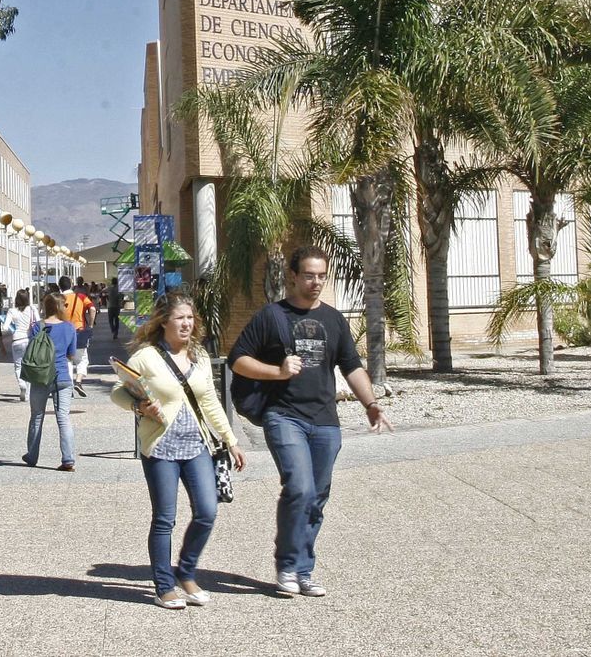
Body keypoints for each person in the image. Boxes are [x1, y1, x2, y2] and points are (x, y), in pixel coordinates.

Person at [228, 246, 392, 597]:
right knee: (299, 488)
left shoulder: (334, 320)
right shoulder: (271, 316)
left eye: (321, 275)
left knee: (317, 496)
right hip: (284, 416)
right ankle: (287, 565)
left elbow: (351, 366)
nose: (316, 282)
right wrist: (277, 371)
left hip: (325, 421)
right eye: (308, 275)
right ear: (293, 276)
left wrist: (371, 404)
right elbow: (237, 360)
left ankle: (304, 569)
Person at [112, 293, 246, 609]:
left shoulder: (198, 354)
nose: (186, 324)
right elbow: (118, 392)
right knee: (164, 518)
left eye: (190, 318)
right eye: (180, 318)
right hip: (160, 446)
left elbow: (210, 401)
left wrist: (231, 440)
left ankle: (186, 572)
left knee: (207, 511)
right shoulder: (145, 357)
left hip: (196, 444)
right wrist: (138, 406)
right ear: (164, 322)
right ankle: (163, 585)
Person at [22, 289, 78, 471]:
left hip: (40, 377)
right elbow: (71, 356)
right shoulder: (69, 327)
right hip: (62, 377)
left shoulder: (37, 327)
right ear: (61, 307)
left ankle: (32, 456)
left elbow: (31, 350)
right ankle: (68, 459)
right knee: (63, 418)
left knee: (37, 416)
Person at [58, 276, 89, 397]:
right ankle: (79, 381)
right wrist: (90, 324)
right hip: (79, 330)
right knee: (82, 359)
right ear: (71, 284)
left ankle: (69, 385)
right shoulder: (80, 297)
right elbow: (92, 308)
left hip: (63, 332)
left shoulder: (58, 299)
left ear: (60, 286)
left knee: (67, 360)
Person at [4, 289, 34, 401]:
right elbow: (38, 321)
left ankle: (22, 384)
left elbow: (5, 327)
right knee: (29, 366)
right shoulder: (31, 309)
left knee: (18, 366)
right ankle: (28, 394)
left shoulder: (12, 311)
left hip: (16, 340)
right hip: (28, 339)